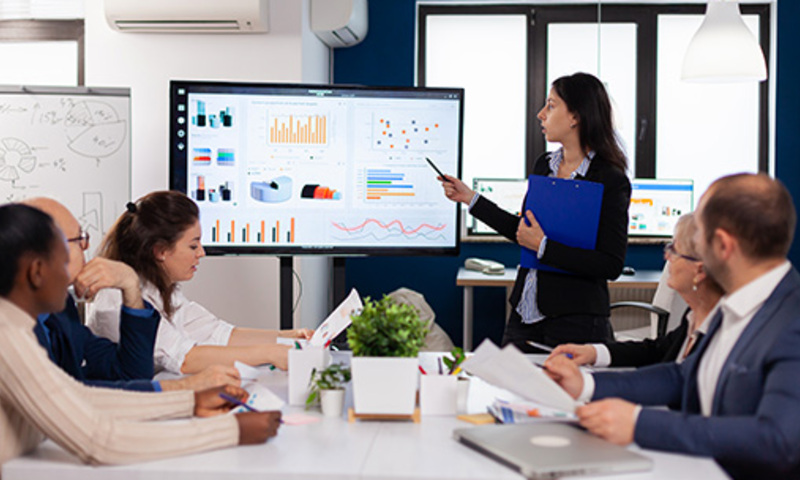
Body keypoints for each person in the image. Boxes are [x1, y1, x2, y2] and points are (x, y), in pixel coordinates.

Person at [544, 173, 800, 478]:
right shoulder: (736, 304)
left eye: (701, 234)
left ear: (722, 245)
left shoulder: (791, 320)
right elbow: (683, 375)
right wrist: (587, 385)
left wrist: (639, 424)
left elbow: (777, 440)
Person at [0, 203, 281, 469]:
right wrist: (231, 430)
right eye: (65, 259)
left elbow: (76, 396)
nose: (77, 274)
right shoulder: (7, 335)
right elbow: (99, 440)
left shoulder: (28, 322)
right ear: (37, 271)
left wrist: (191, 402)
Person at [439, 72, 631, 352]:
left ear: (575, 117)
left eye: (551, 106)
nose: (541, 114)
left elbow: (610, 265)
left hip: (576, 321)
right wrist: (469, 198)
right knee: (506, 381)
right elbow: (523, 231)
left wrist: (543, 247)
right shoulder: (544, 165)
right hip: (524, 313)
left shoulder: (610, 179)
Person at [26, 197, 240, 392]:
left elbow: (131, 372)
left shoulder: (61, 309)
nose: (86, 247)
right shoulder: (16, 322)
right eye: (79, 240)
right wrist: (184, 388)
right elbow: (60, 395)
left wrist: (130, 286)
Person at [87, 191, 313, 375]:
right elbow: (185, 359)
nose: (201, 253)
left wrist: (290, 336)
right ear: (161, 251)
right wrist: (270, 353)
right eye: (193, 246)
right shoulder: (117, 298)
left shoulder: (160, 288)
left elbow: (219, 333)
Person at [549, 213, 724, 368]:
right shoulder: (693, 316)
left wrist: (589, 384)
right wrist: (594, 353)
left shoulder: (722, 333)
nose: (667, 257)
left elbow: (675, 379)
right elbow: (657, 350)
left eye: (674, 250)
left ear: (699, 270)